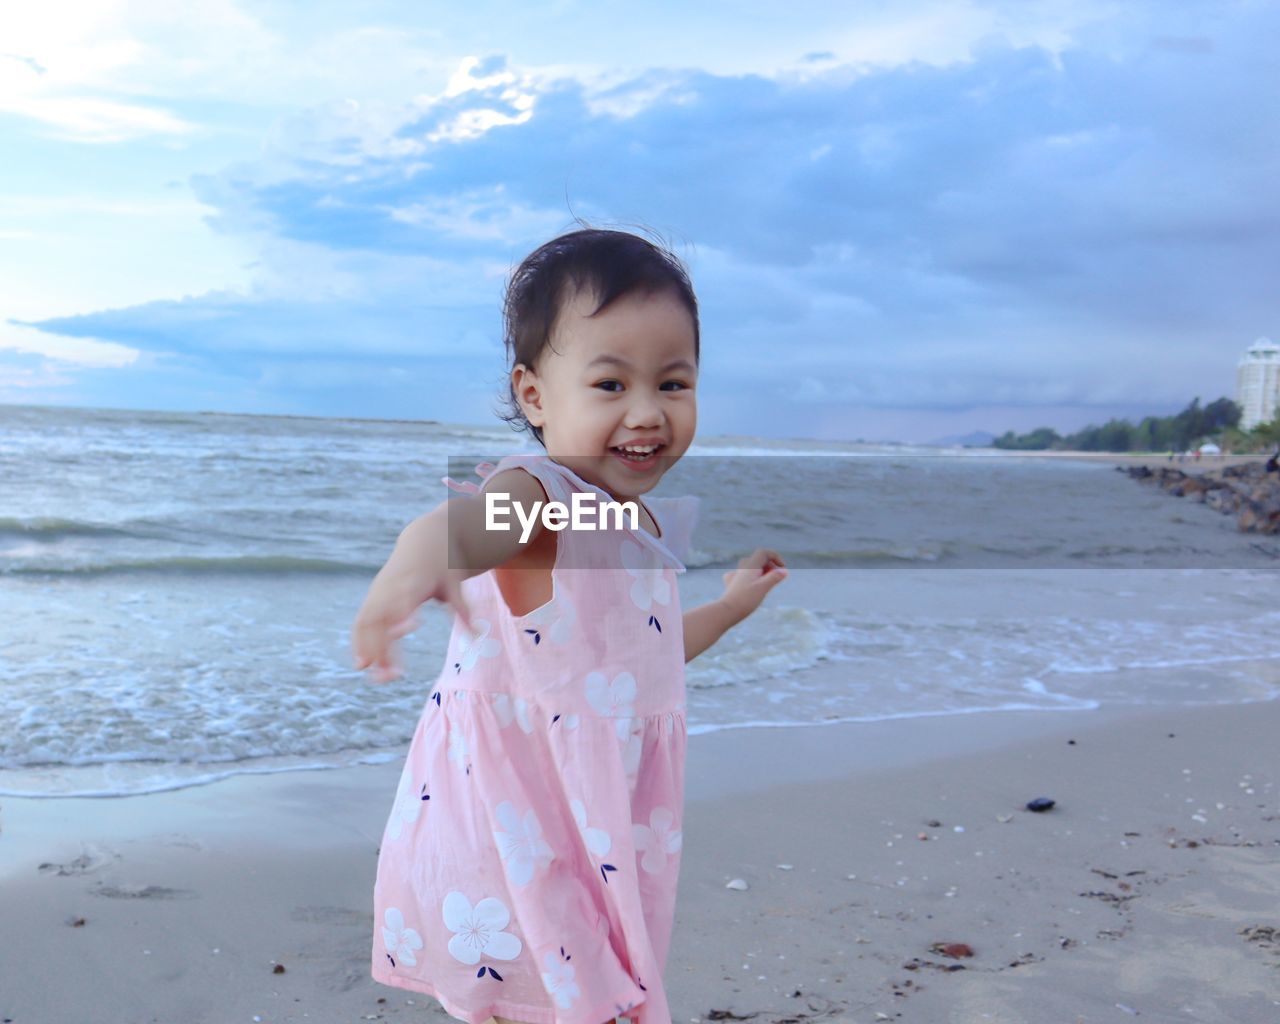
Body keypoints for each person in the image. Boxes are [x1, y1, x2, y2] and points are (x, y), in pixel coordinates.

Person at [350, 228, 788, 1024]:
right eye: (611, 384)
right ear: (535, 396)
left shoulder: (635, 521)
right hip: (521, 820)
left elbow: (636, 667)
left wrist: (729, 606)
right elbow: (457, 526)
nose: (648, 412)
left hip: (589, 813)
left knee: (578, 1000)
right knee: (567, 1000)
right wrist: (409, 574)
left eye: (674, 383)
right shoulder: (540, 492)